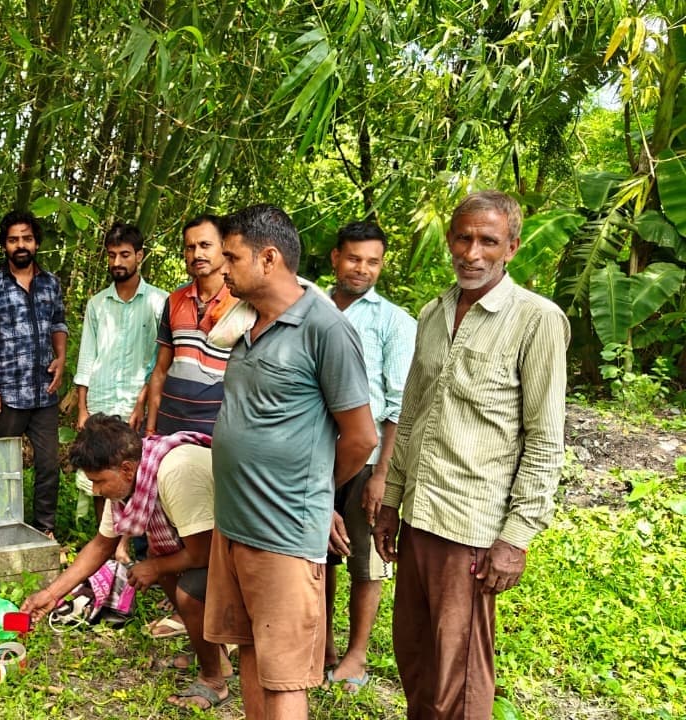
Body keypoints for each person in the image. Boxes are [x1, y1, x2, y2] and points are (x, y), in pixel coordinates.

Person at [373, 191, 569, 720]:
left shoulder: (536, 319)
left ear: (512, 247)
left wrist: (516, 537)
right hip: (418, 514)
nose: (472, 252)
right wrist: (391, 500)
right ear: (450, 240)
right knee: (415, 656)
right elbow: (411, 413)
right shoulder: (433, 313)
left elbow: (545, 437)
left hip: (472, 526)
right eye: (463, 237)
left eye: (488, 241)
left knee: (459, 675)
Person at [205, 203, 376, 720]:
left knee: (285, 680)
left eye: (231, 257)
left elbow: (361, 436)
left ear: (269, 258)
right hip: (234, 526)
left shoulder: (325, 328)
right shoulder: (245, 322)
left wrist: (316, 493)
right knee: (253, 652)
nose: (223, 268)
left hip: (282, 533)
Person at [21, 415, 230, 709]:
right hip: (214, 543)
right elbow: (101, 545)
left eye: (98, 482)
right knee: (164, 567)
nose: (95, 490)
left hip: (250, 548)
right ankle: (216, 655)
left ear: (127, 469)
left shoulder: (175, 471)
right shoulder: (130, 482)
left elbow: (202, 553)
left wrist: (156, 567)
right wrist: (51, 595)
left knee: (185, 588)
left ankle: (214, 681)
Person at [321, 221, 416, 690]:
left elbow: (399, 404)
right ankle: (324, 646)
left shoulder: (394, 322)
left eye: (372, 261)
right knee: (318, 554)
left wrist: (383, 474)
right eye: (354, 258)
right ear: (336, 257)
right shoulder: (309, 306)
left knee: (363, 557)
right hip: (316, 454)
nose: (362, 269)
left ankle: (356, 654)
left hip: (367, 458)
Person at [0, 210, 68, 536]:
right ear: (4, 246)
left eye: (26, 238)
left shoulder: (50, 283)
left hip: (44, 391)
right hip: (6, 392)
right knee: (0, 465)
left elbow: (58, 324)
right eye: (13, 240)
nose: (21, 245)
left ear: (36, 243)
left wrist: (62, 358)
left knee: (48, 465)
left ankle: (44, 529)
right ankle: (0, 527)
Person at [73, 223, 168, 523]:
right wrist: (82, 409)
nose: (117, 262)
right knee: (100, 475)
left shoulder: (159, 302)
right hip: (101, 402)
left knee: (134, 476)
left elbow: (159, 359)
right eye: (112, 255)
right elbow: (87, 356)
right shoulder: (97, 304)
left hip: (134, 405)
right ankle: (104, 551)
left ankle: (130, 545)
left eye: (125, 254)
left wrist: (142, 401)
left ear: (139, 255)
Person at [144, 215, 237, 438]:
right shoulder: (174, 300)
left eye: (205, 245)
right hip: (169, 427)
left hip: (216, 432)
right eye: (190, 247)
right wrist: (150, 429)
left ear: (224, 247)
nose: (197, 254)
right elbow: (160, 370)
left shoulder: (242, 303)